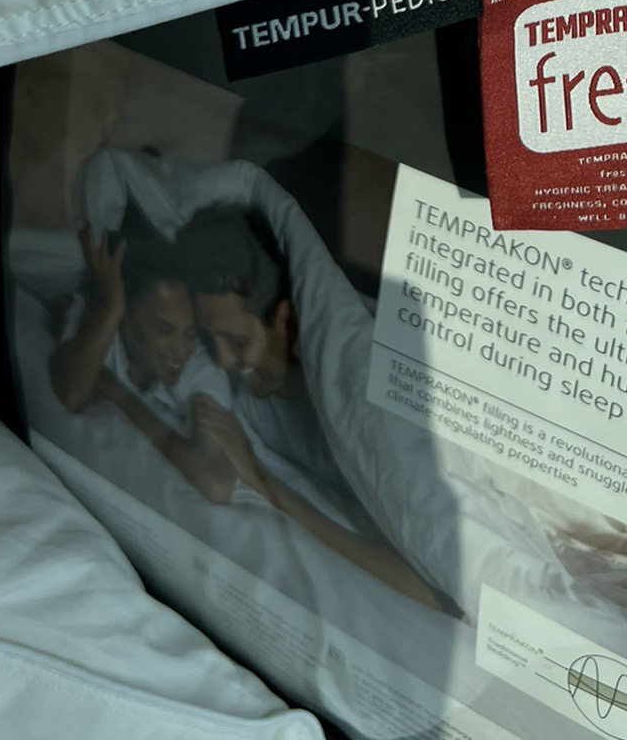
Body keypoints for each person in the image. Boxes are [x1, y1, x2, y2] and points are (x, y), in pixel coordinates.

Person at [180, 205, 444, 610]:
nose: (222, 360)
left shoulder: (364, 404)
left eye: (236, 341)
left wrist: (265, 484)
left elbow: (429, 589)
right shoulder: (250, 407)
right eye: (209, 339)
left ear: (284, 322)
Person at [49, 205, 235, 502]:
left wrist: (123, 397)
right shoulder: (99, 321)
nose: (181, 351)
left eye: (189, 334)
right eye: (164, 329)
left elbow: (216, 484)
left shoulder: (201, 367)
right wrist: (111, 308)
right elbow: (69, 395)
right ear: (126, 313)